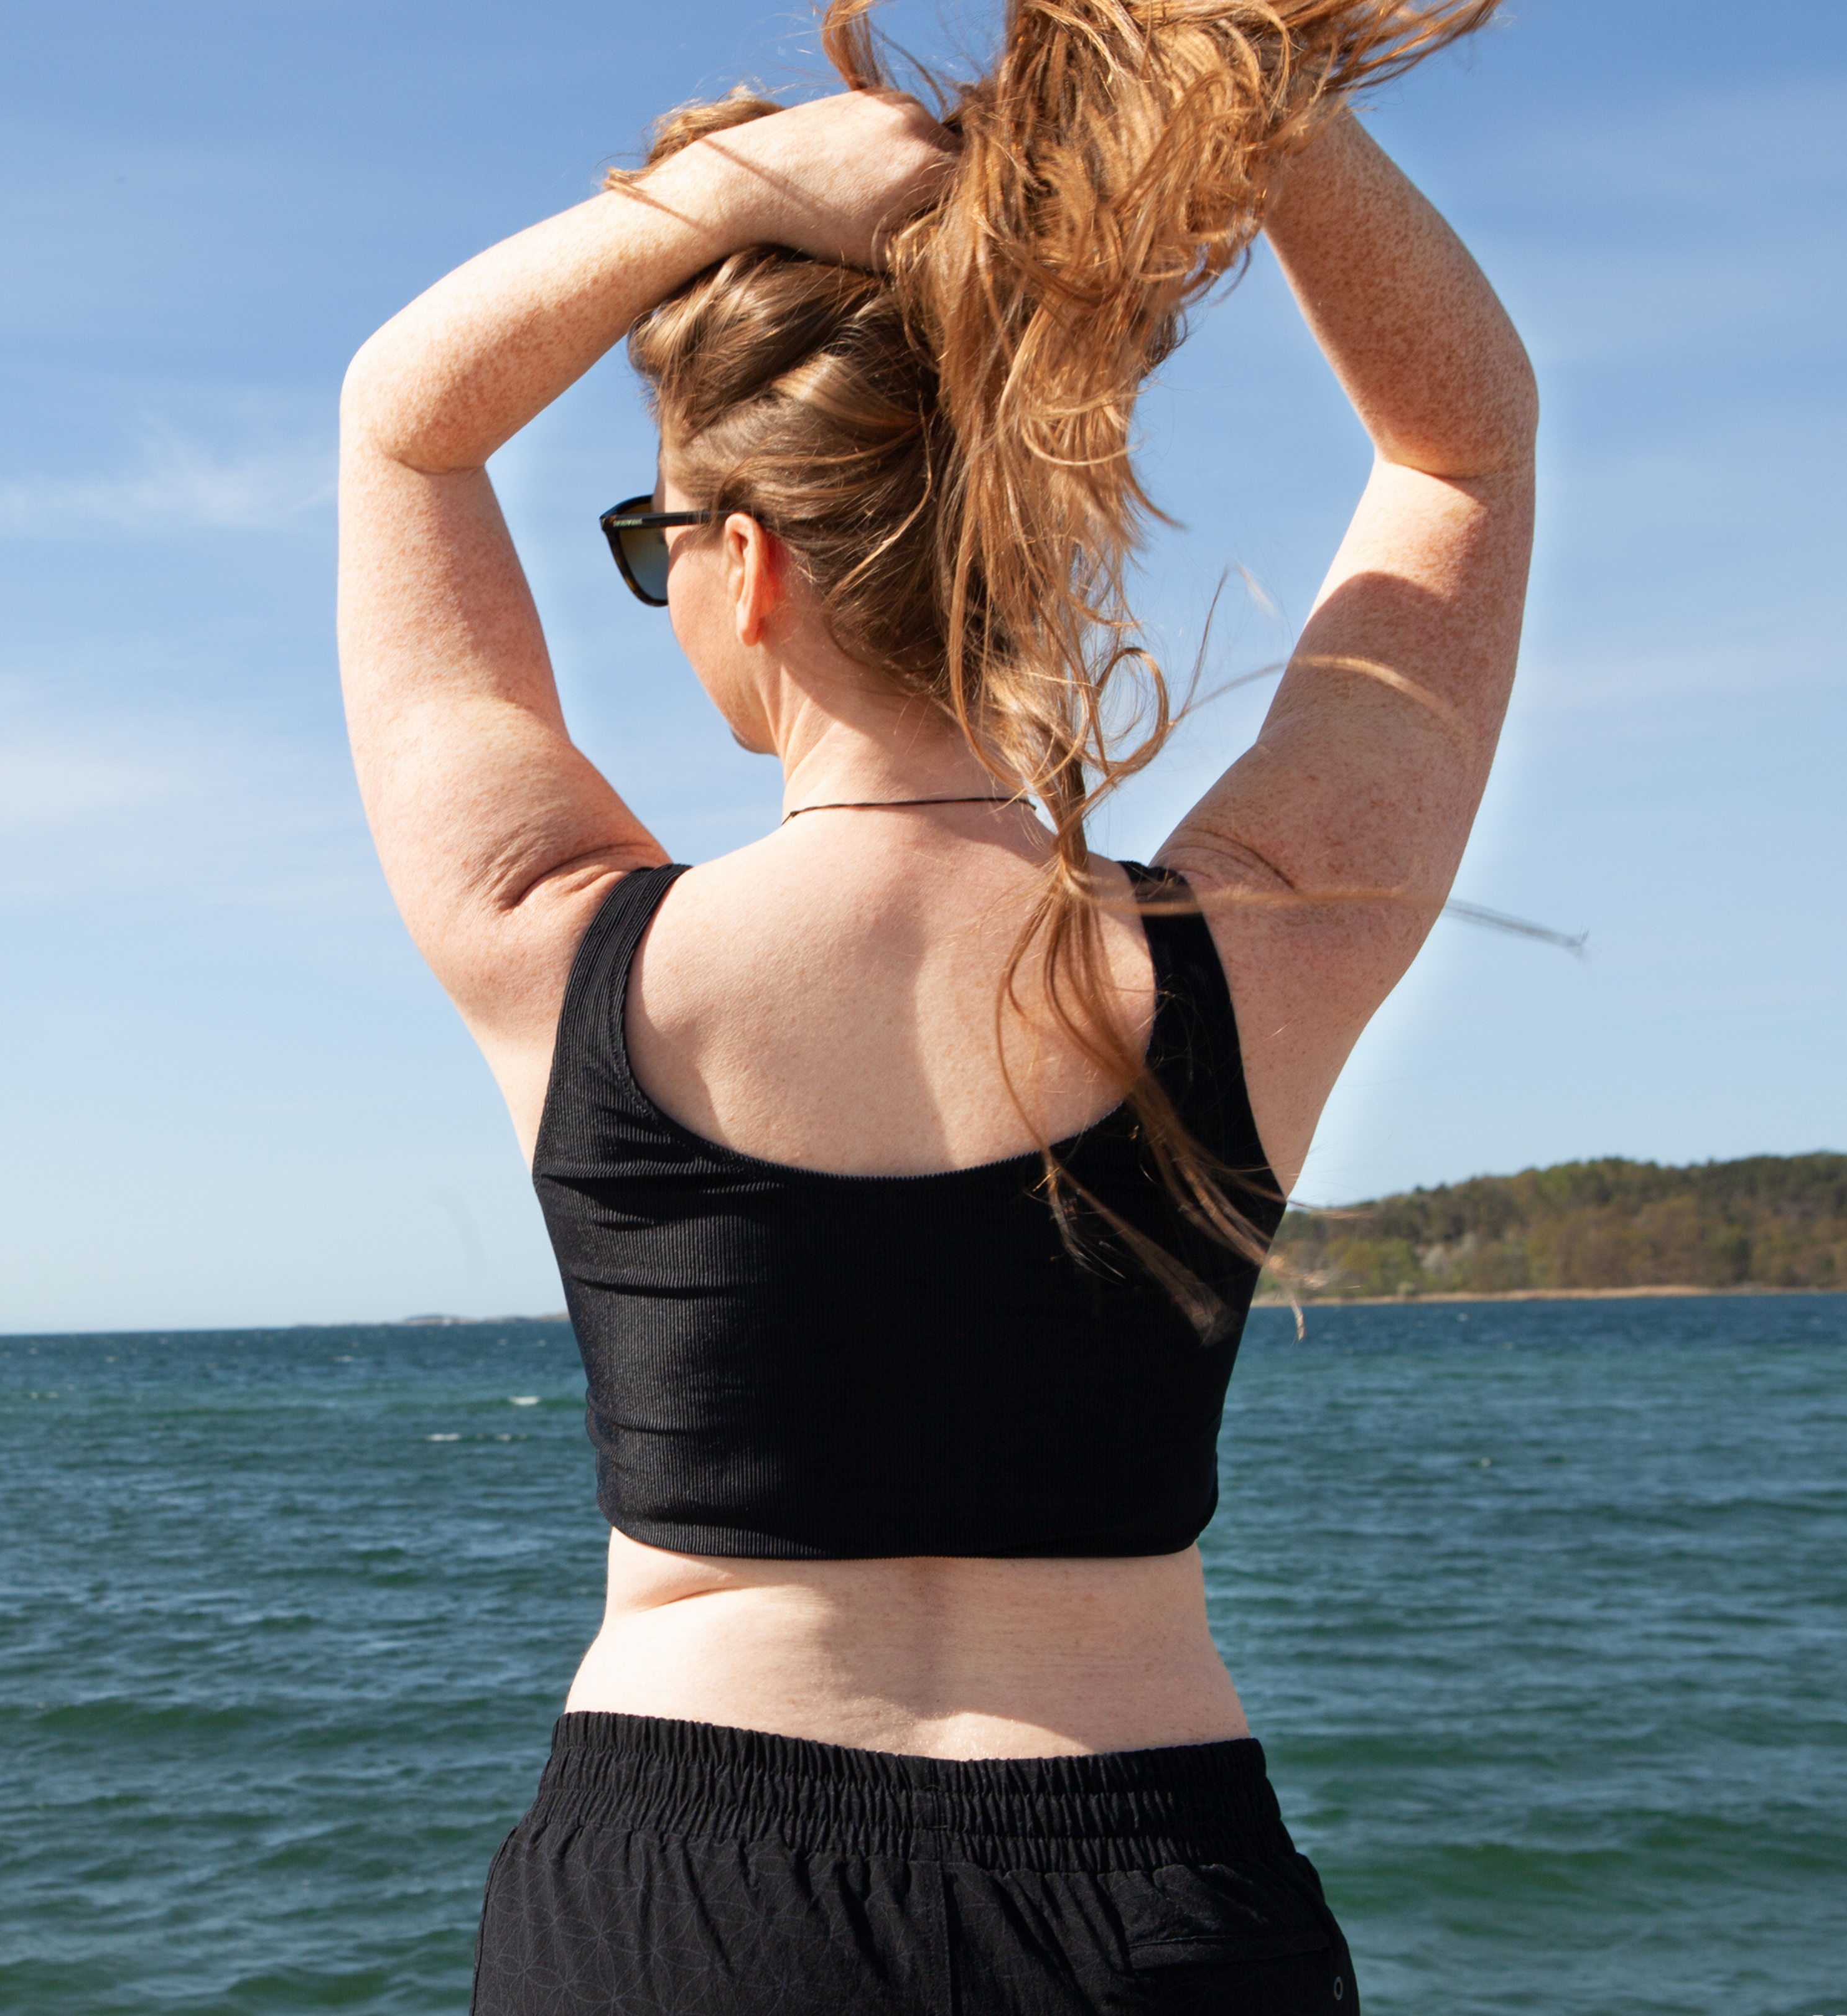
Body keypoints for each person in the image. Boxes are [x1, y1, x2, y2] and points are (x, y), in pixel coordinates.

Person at [337, 1, 1533, 2008]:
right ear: (1039, 545)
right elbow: (1464, 444)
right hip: (1154, 1888)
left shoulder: (553, 935)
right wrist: (1238, 67)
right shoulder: (1258, 949)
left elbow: (402, 422)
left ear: (748, 567)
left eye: (658, 550)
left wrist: (714, 196)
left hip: (677, 1901)